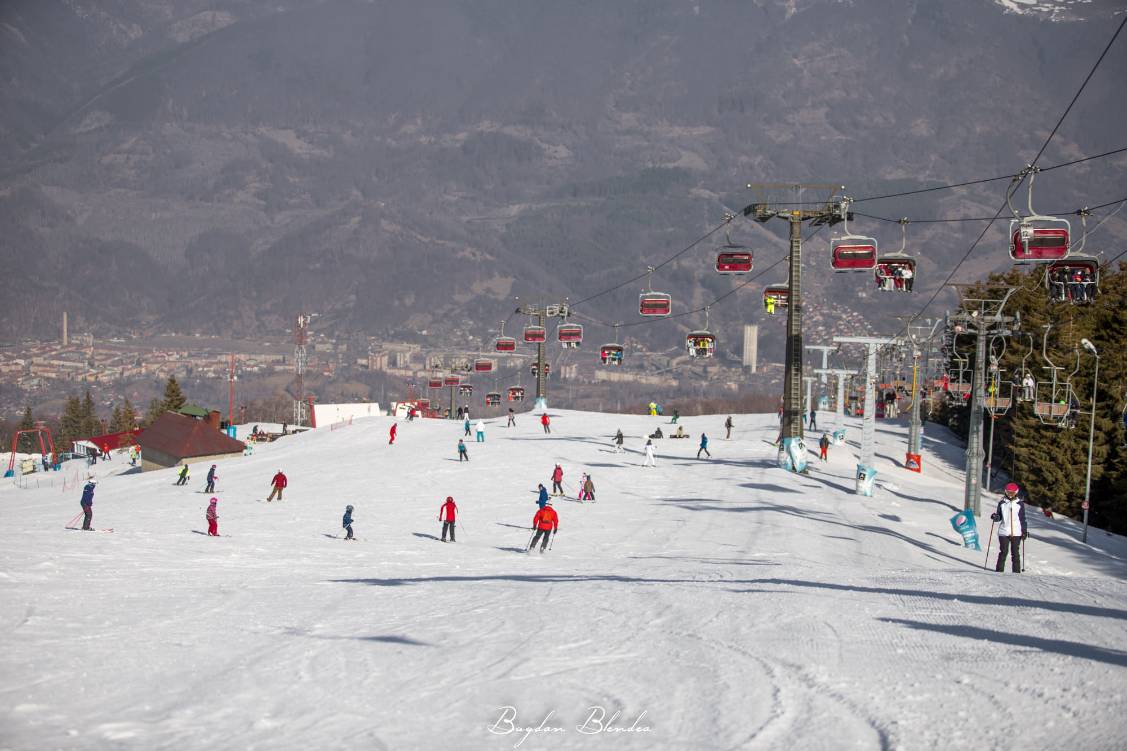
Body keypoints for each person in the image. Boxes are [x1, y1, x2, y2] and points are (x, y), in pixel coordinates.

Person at [991, 483, 1027, 573]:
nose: (1010, 494)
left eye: (1012, 492)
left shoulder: (1020, 504)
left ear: (1016, 492)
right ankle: (999, 572)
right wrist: (995, 517)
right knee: (1003, 552)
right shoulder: (1002, 503)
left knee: (1015, 553)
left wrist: (1024, 531)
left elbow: (1022, 518)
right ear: (1005, 492)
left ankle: (1016, 573)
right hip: (1004, 531)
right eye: (1008, 492)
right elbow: (999, 516)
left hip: (1016, 532)